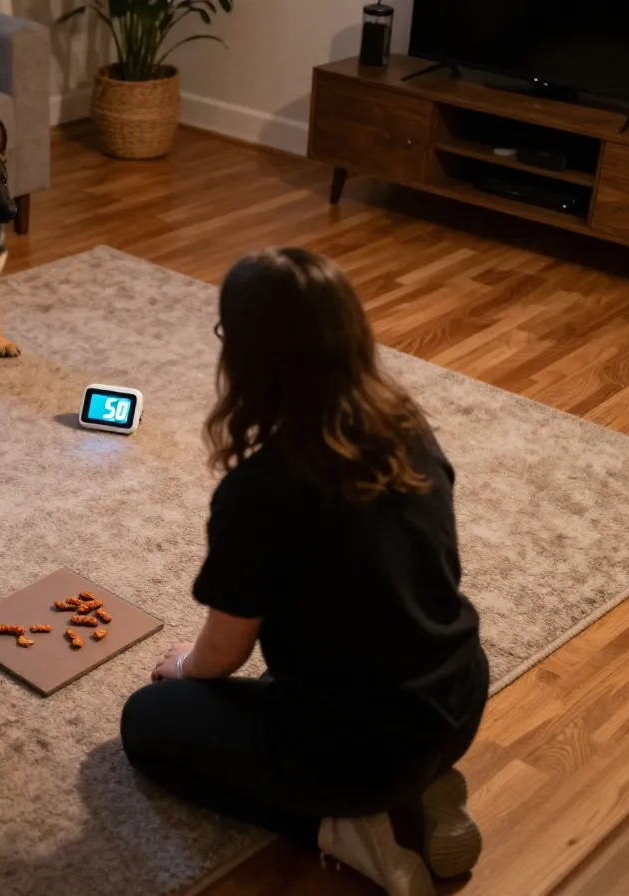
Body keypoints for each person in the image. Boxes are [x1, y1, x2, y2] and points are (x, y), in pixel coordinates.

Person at [120, 248, 489, 896]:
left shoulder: (260, 490)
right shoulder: (409, 425)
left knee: (147, 722)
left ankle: (342, 824)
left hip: (355, 754)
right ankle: (432, 784)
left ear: (249, 357)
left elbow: (223, 654)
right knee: (332, 666)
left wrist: (184, 668)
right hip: (458, 701)